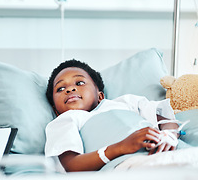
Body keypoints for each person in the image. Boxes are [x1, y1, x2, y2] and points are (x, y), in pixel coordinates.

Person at [44, 59, 184, 172]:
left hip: (170, 151)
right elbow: (72, 165)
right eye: (61, 88)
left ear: (100, 96)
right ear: (56, 110)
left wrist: (169, 136)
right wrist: (121, 147)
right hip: (130, 164)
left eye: (79, 83)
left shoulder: (126, 102)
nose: (70, 89)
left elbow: (164, 119)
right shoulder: (65, 121)